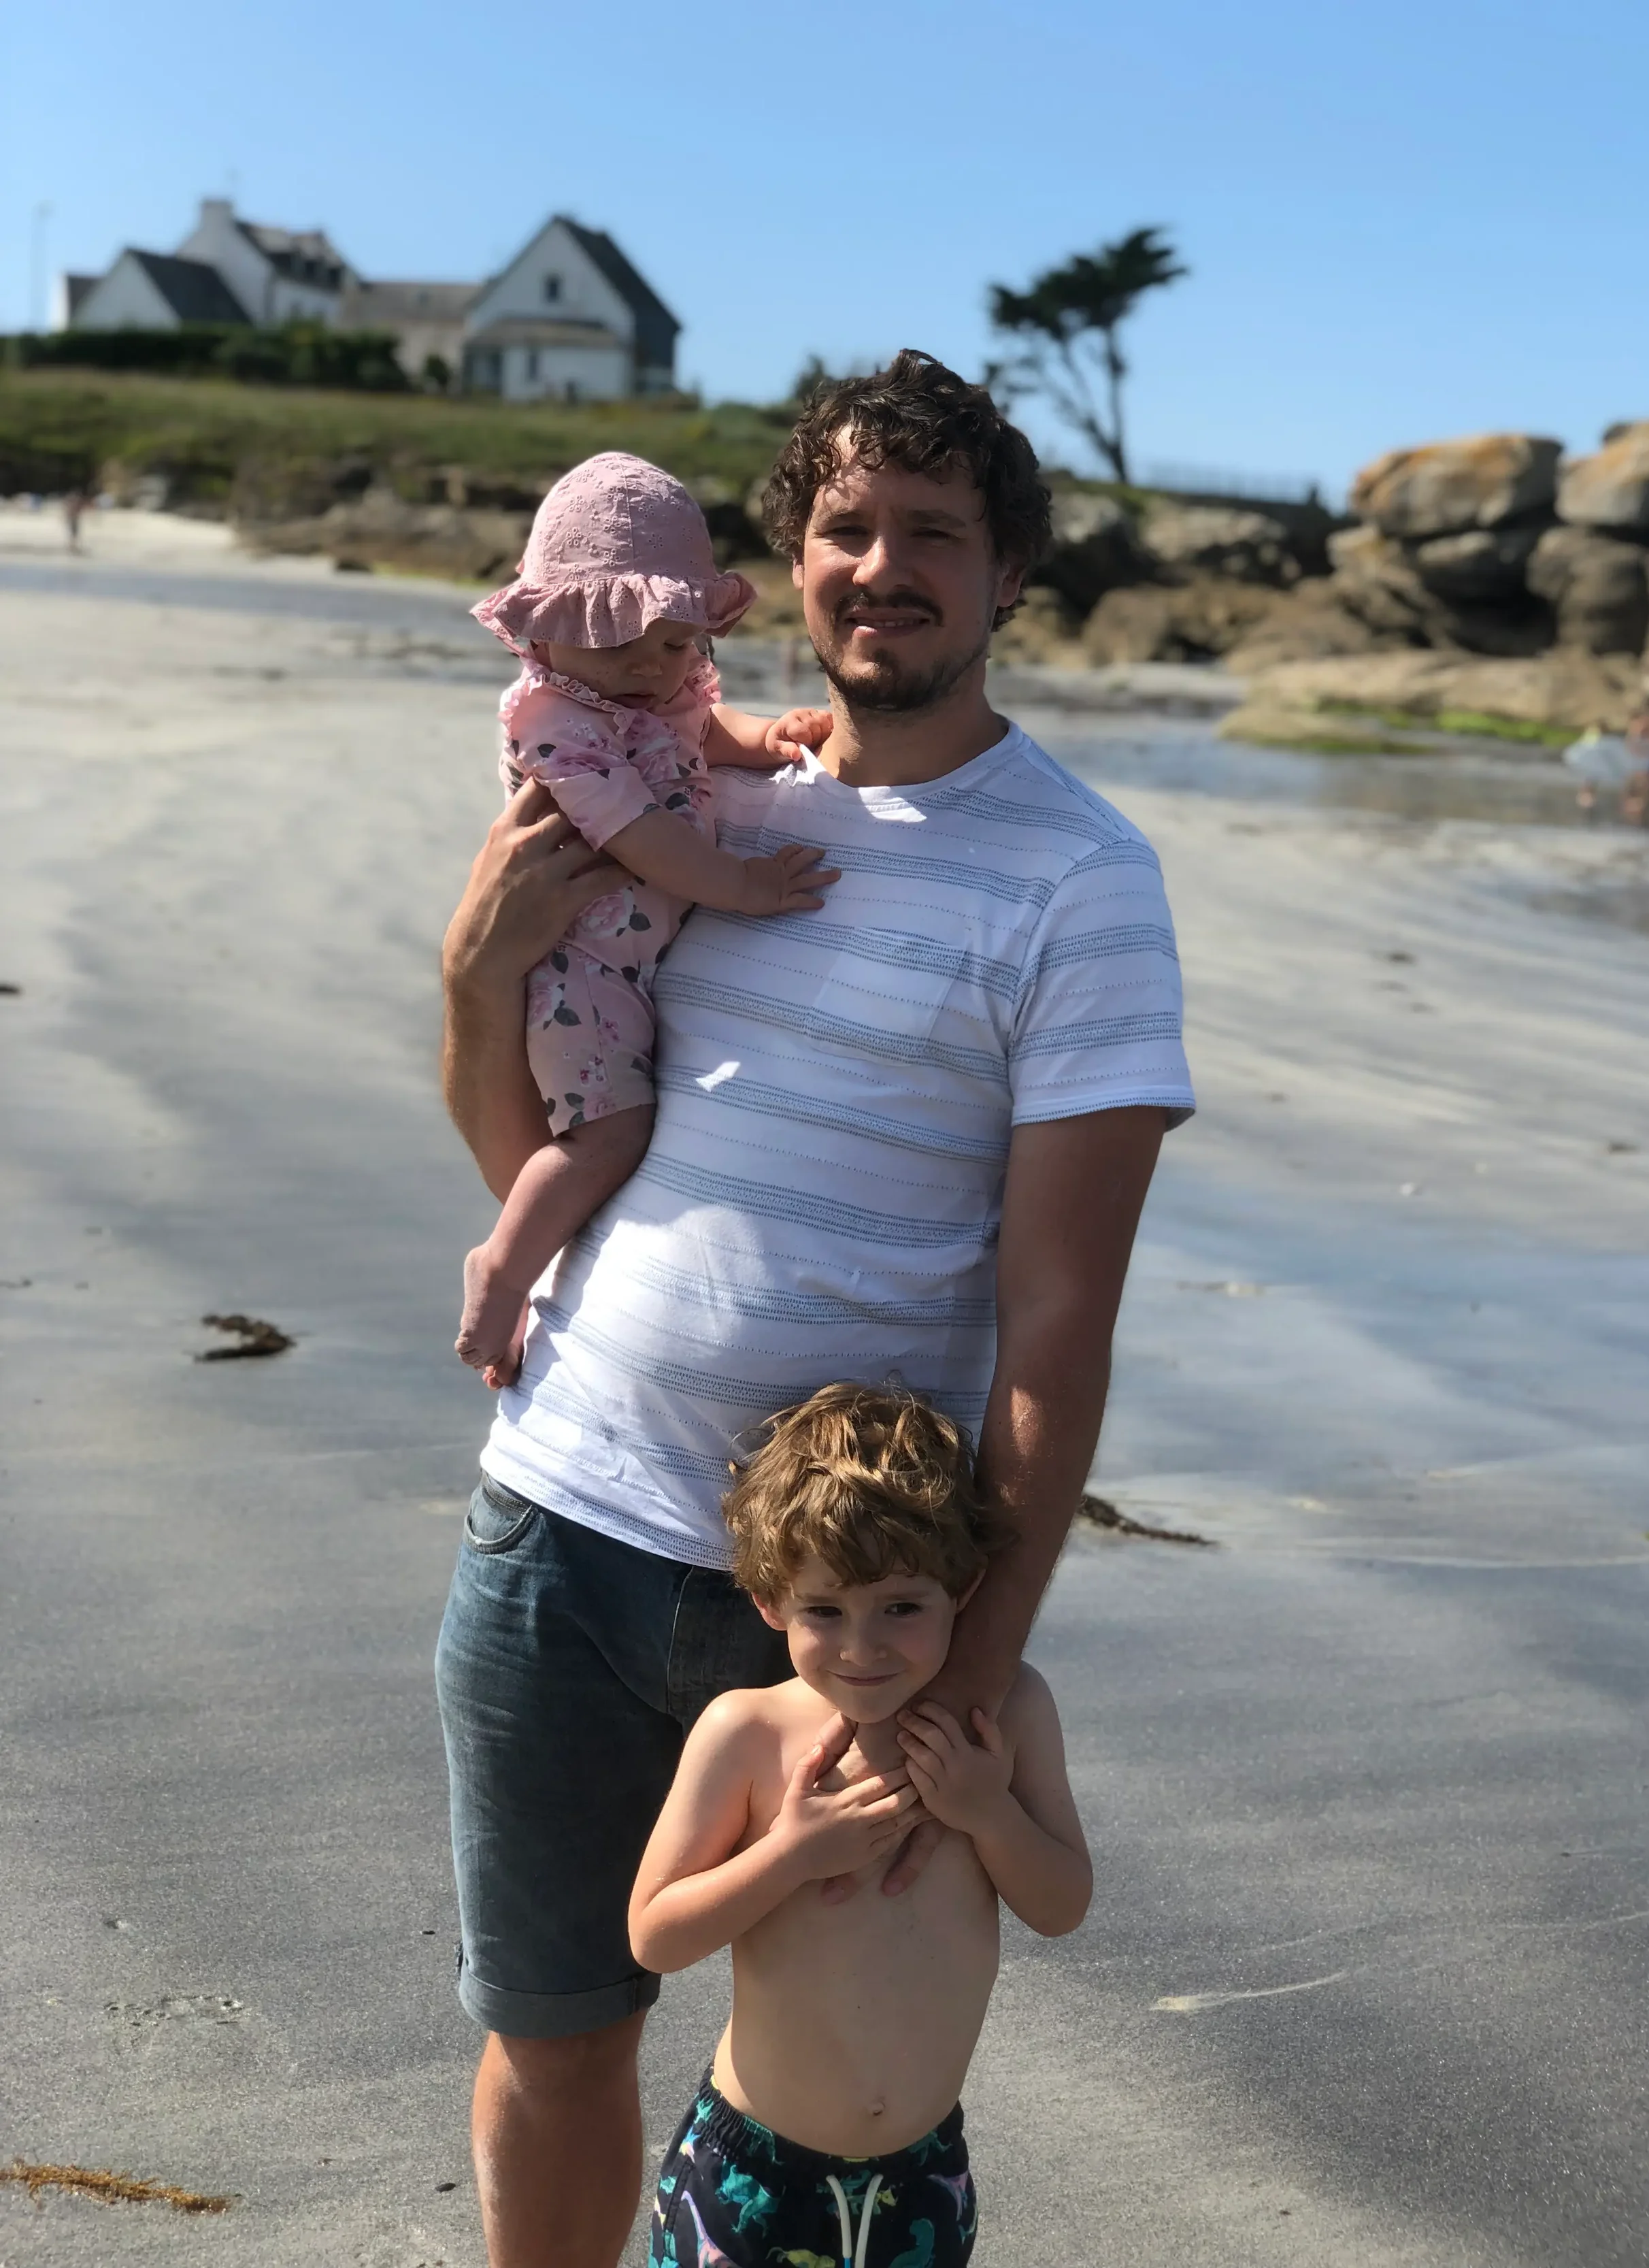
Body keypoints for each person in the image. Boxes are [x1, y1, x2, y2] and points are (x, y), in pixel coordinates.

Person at [435, 348, 1195, 2268]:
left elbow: (1056, 1323)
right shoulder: (697, 784)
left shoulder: (1082, 884)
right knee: (554, 2029)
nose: (883, 565)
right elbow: (532, 1126)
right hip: (558, 1522)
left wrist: (965, 1658)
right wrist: (475, 963)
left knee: (842, 2088)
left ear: (1008, 571)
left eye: (933, 531)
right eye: (845, 525)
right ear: (788, 556)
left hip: (845, 1596)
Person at [629, 1383, 1090, 2268]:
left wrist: (986, 1811)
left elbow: (1062, 1903)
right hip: (751, 2180)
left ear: (966, 1587)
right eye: (825, 1611)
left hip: (921, 2180)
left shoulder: (1009, 1713)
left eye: (902, 1607)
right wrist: (791, 1854)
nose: (862, 1648)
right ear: (770, 1601)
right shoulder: (748, 1732)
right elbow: (654, 1933)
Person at [455, 454, 835, 1378]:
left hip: (632, 966)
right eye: (620, 641)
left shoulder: (658, 690)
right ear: (550, 630)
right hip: (576, 971)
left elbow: (705, 730)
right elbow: (632, 831)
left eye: (674, 643)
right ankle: (503, 1270)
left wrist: (766, 737)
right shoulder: (554, 719)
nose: (651, 666)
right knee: (607, 1136)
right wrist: (738, 886)